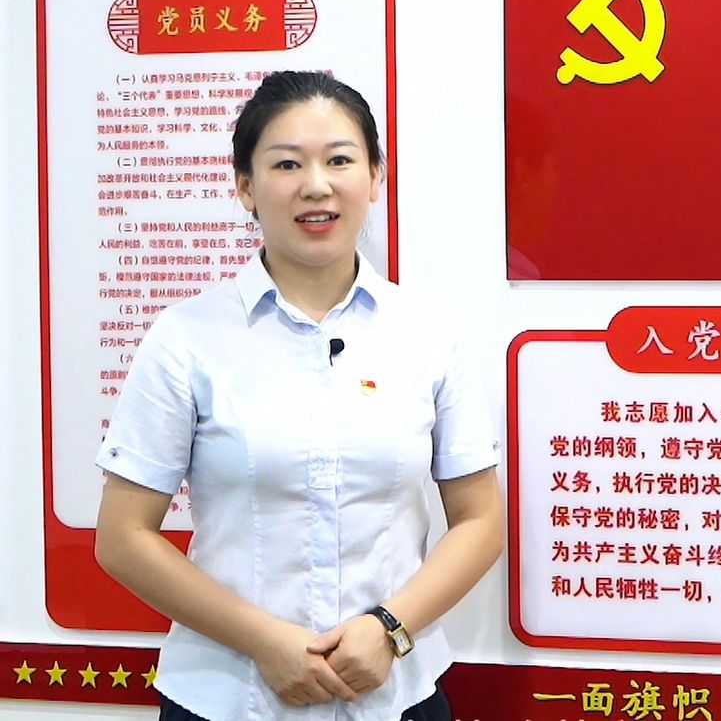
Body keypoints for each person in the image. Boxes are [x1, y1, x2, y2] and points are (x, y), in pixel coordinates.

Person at [94, 70, 504, 721]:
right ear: (246, 187)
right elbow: (122, 537)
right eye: (287, 164)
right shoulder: (186, 337)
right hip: (229, 696)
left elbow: (480, 521)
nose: (316, 185)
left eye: (339, 160)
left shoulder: (428, 333)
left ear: (375, 177)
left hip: (394, 694)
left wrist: (390, 628)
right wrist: (264, 641)